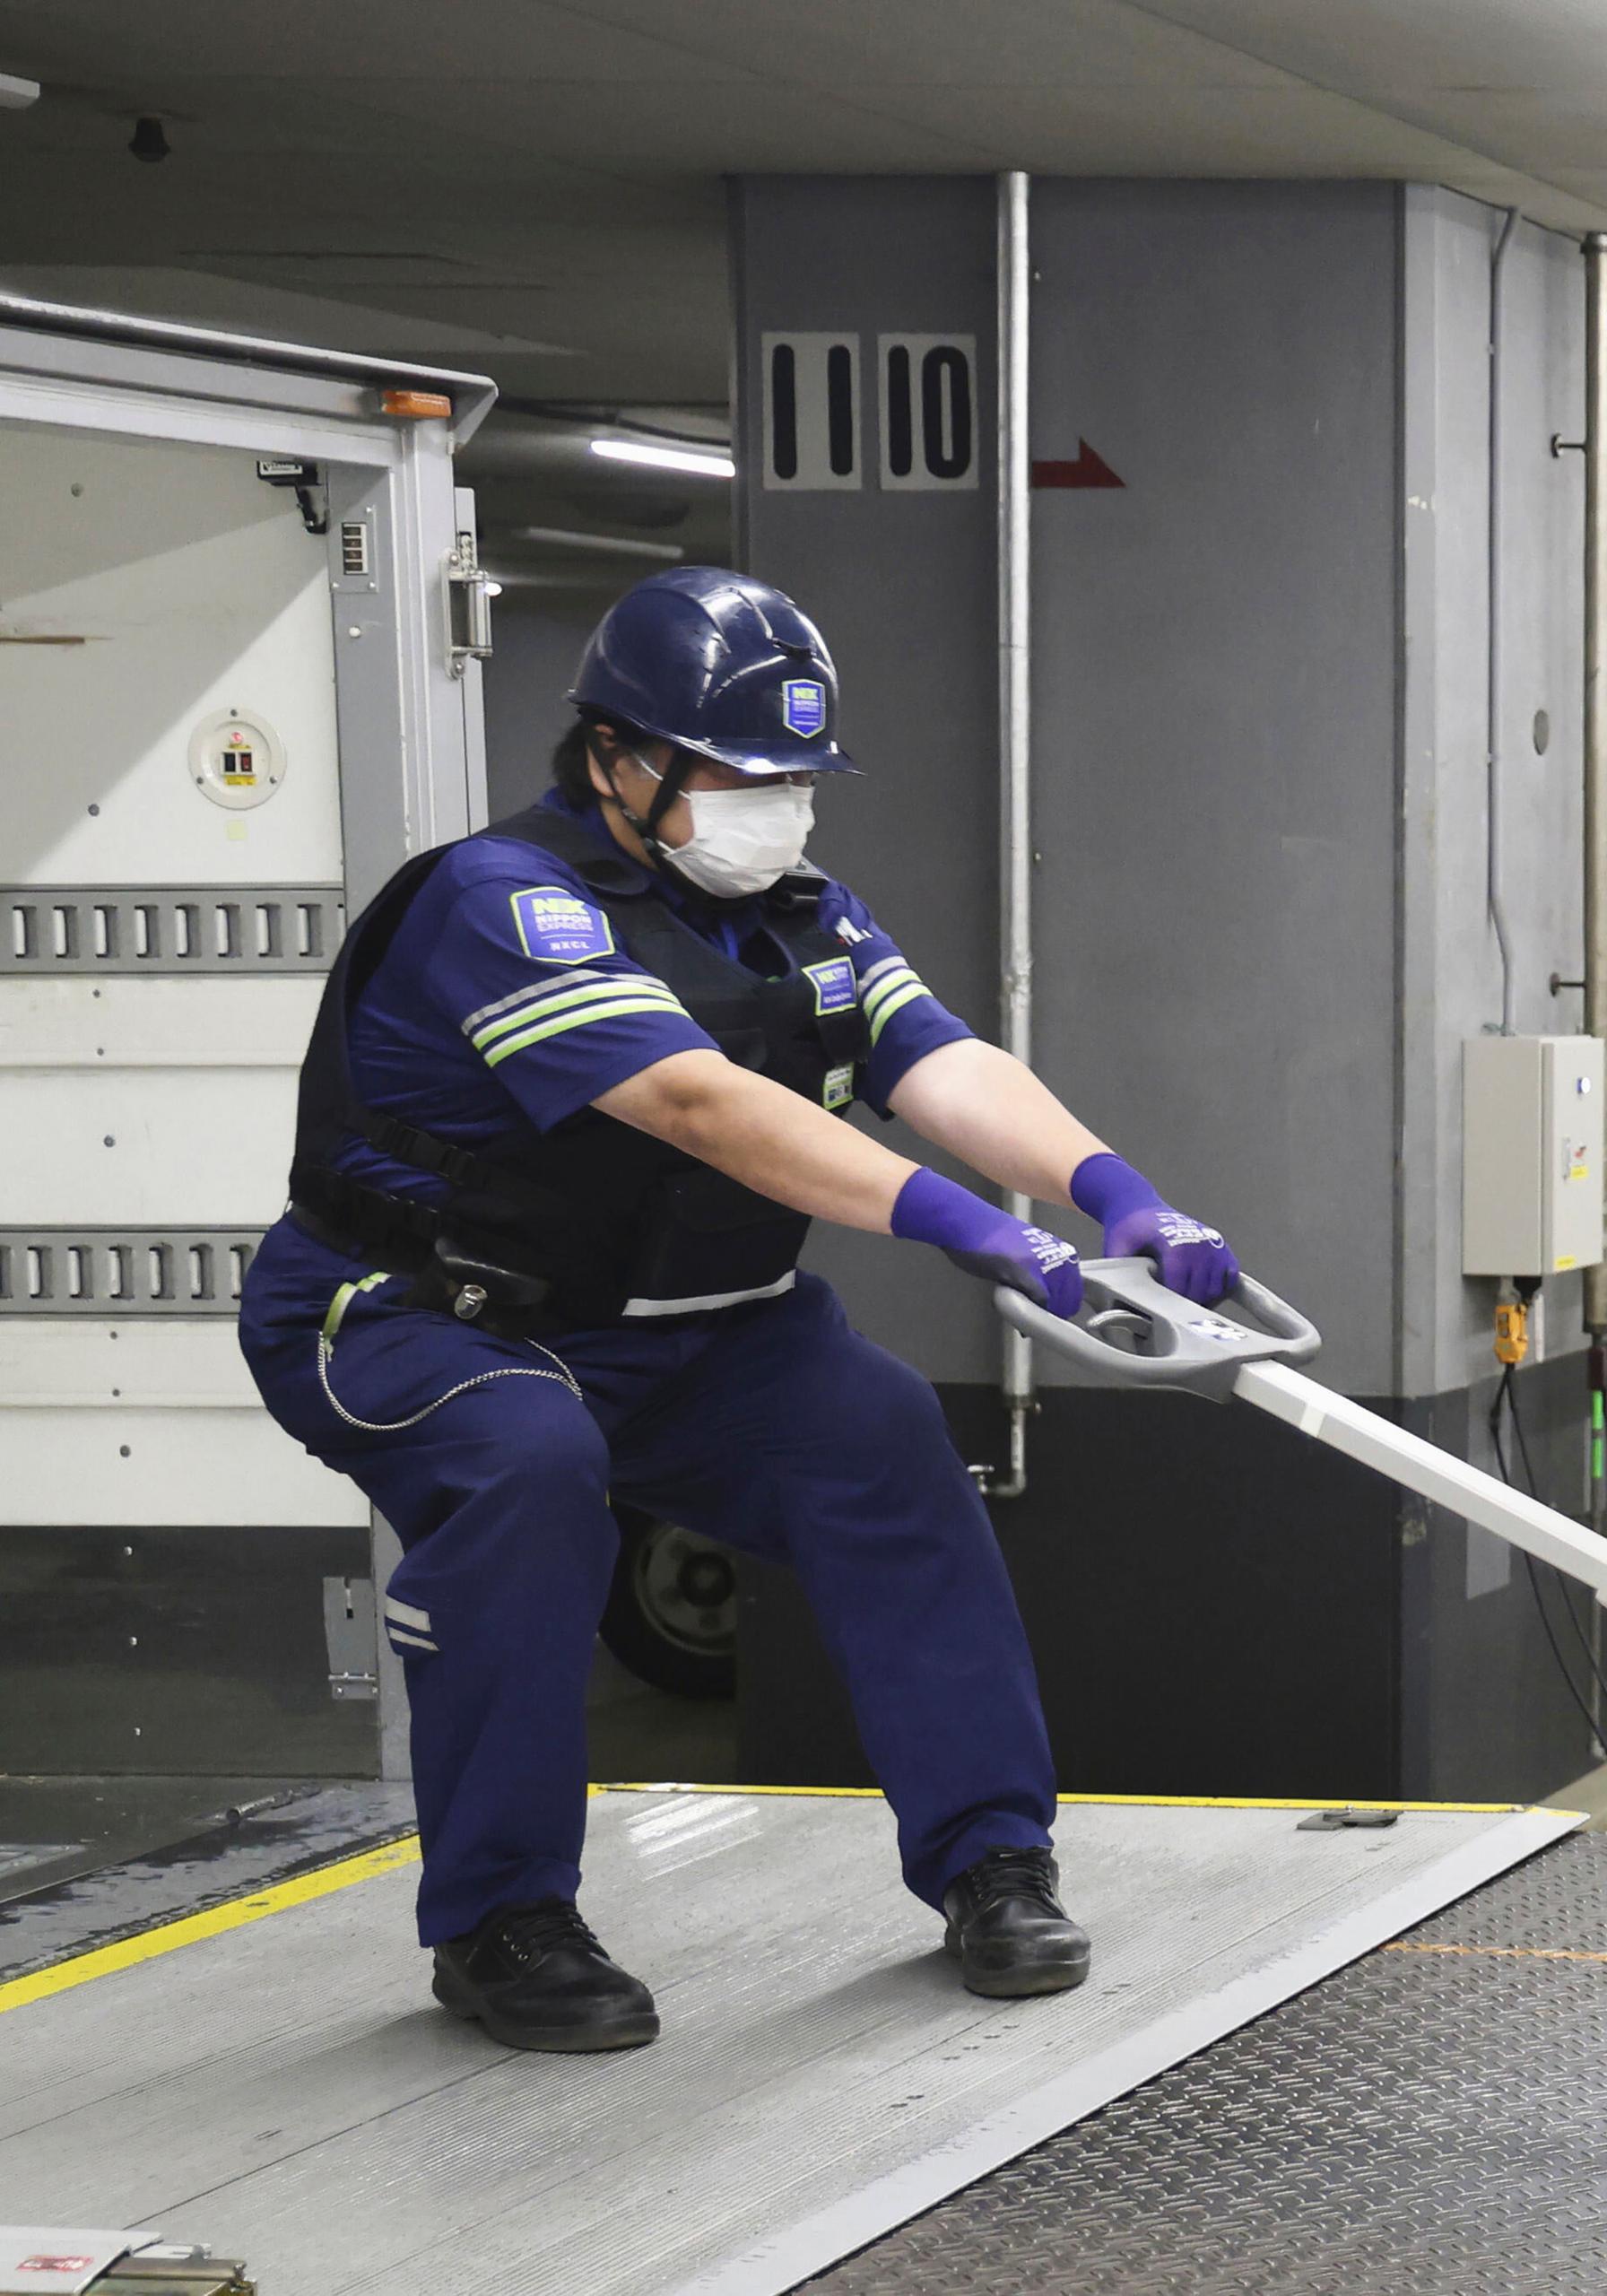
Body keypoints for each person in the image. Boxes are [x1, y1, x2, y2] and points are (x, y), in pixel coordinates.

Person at [239, 568, 1241, 2050]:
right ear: (615, 759)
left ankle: (992, 1862)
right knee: (532, 1471)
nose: (771, 805)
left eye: (794, 778)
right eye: (733, 775)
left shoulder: (802, 918)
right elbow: (697, 1105)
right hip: (423, 1316)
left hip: (690, 1329)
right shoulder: (504, 901)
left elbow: (940, 1063)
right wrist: (958, 1223)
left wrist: (1112, 1191)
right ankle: (501, 1920)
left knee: (887, 1443)